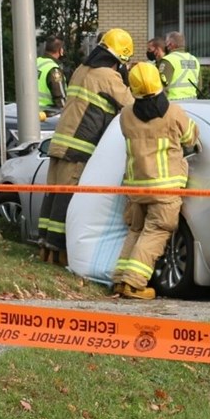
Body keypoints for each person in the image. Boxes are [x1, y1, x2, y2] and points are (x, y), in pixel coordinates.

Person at [39, 28, 136, 266]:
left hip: (60, 142)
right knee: (67, 199)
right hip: (80, 147)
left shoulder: (82, 70)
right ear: (120, 60)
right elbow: (132, 106)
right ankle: (59, 253)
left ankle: (45, 248)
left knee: (54, 194)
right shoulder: (107, 76)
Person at [110, 62, 200, 299]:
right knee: (156, 232)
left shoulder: (126, 115)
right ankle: (134, 283)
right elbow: (191, 137)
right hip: (165, 190)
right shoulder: (174, 112)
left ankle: (120, 279)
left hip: (136, 188)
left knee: (136, 231)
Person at [158, 31, 201, 100]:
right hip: (193, 102)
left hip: (174, 103)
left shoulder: (168, 60)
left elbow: (162, 87)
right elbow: (199, 87)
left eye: (166, 43)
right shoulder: (194, 59)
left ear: (170, 44)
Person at [35, 36, 68, 113]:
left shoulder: (35, 62)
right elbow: (60, 97)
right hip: (48, 114)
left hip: (30, 113)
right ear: (60, 51)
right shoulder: (54, 69)